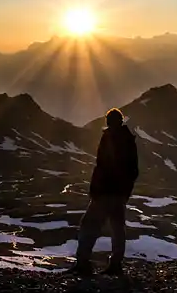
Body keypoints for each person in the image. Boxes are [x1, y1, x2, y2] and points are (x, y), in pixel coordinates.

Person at [66, 108, 139, 276]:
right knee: (117, 228)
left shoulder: (110, 137)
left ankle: (83, 263)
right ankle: (115, 265)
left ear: (110, 121)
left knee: (89, 225)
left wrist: (96, 189)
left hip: (104, 192)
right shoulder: (128, 140)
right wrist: (125, 192)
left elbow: (102, 167)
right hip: (118, 194)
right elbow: (133, 171)